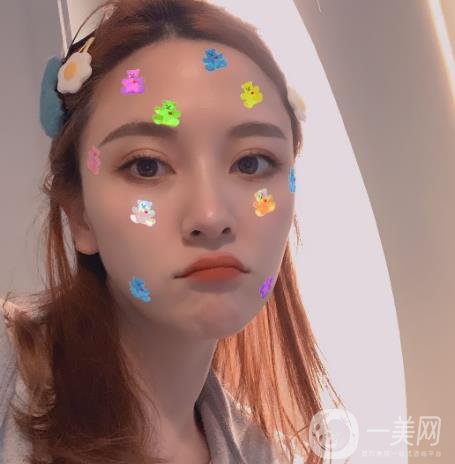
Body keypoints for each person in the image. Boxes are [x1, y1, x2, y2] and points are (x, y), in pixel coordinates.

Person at [0, 1, 343, 463]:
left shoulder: (260, 452)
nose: (211, 216)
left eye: (251, 162)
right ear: (80, 213)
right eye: (147, 166)